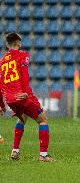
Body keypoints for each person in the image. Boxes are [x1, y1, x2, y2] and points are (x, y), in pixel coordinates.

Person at [0, 33, 53, 162]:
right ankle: (43, 155)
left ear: (7, 44)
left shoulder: (1, 62)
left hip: (10, 99)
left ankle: (15, 151)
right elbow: (24, 76)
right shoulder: (23, 55)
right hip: (23, 96)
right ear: (19, 43)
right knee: (43, 119)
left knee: (22, 118)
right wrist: (25, 93)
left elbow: (0, 85)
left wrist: (1, 105)